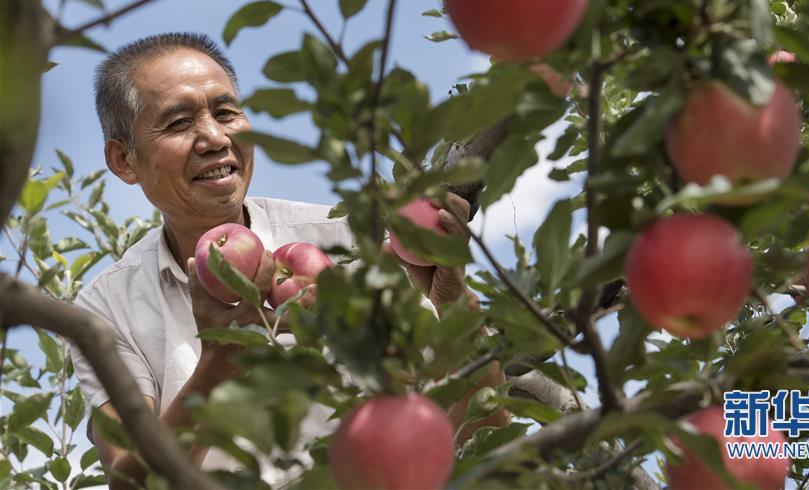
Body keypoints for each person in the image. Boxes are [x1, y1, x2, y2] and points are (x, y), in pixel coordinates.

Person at [70, 32, 507, 489]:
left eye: (225, 113)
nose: (215, 138)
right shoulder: (109, 307)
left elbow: (486, 433)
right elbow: (131, 482)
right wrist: (220, 363)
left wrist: (455, 307)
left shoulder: (346, 242)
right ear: (124, 160)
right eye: (179, 123)